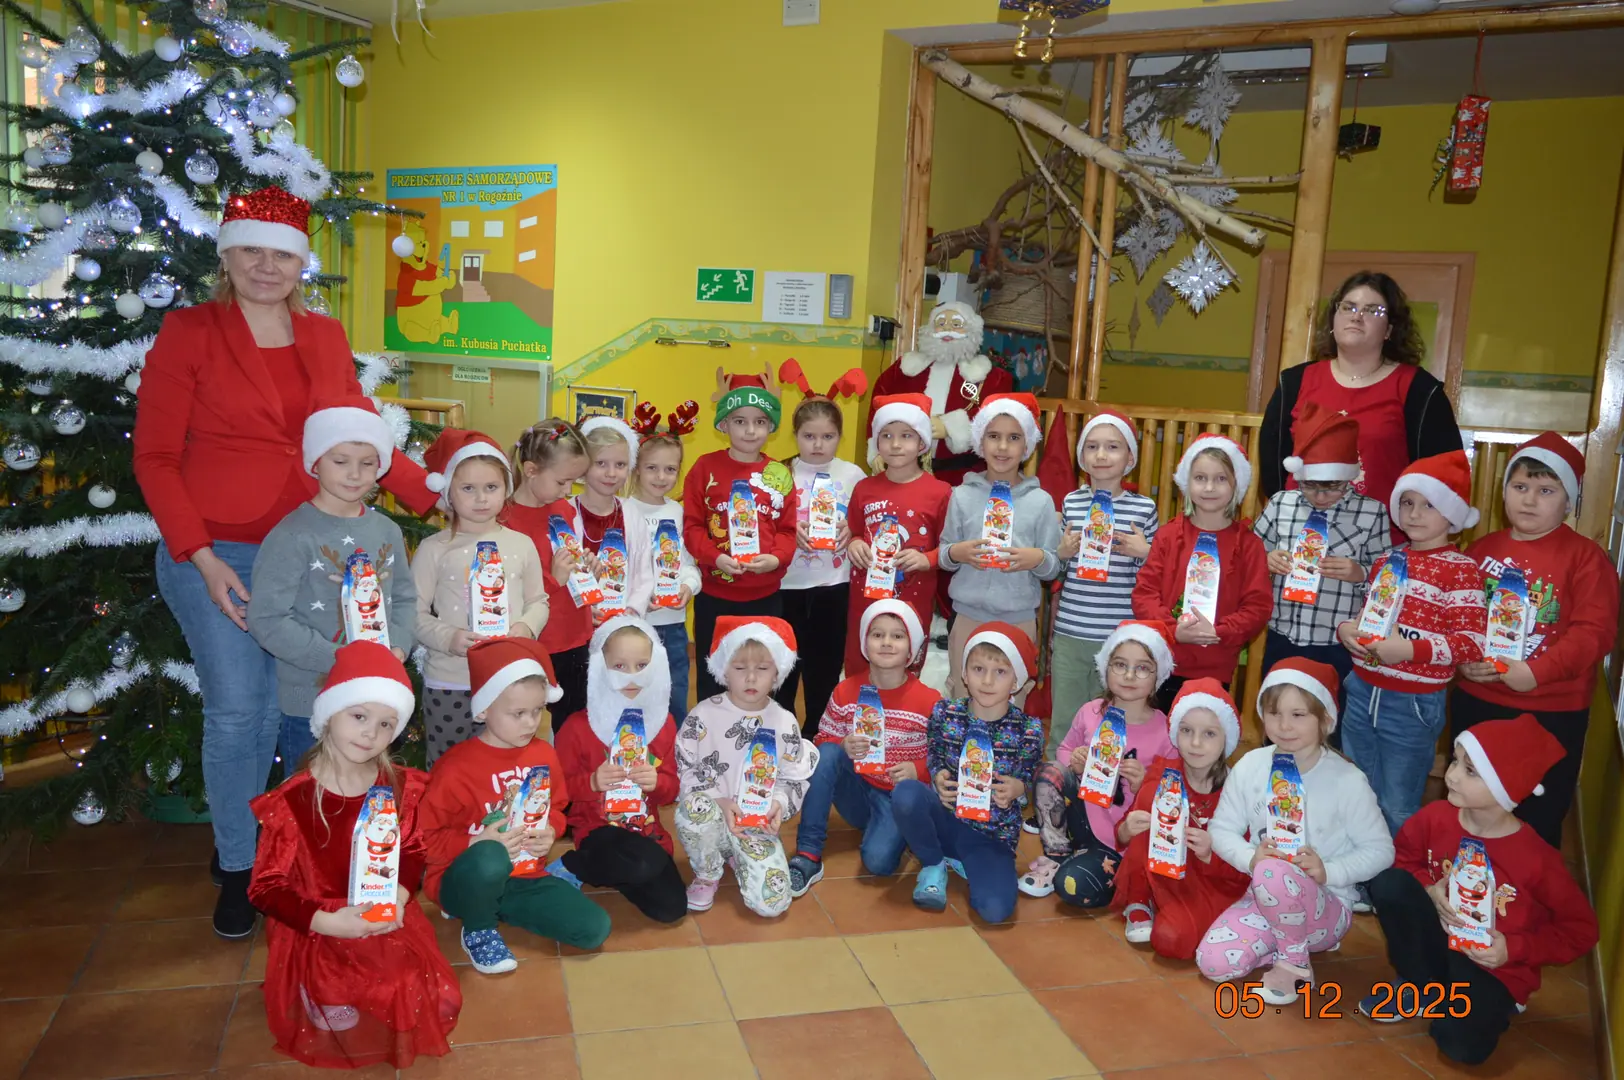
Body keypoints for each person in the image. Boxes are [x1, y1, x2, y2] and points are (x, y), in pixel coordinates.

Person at [133, 185, 438, 938]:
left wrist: (440, 492)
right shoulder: (189, 331)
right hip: (222, 550)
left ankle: (291, 848)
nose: (266, 267)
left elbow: (355, 430)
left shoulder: (324, 337)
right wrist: (201, 558)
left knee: (309, 710)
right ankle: (244, 868)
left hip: (316, 546)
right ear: (226, 256)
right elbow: (156, 457)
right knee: (243, 710)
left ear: (302, 263)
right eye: (251, 250)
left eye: (282, 254)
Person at [247, 642, 460, 1069]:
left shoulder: (398, 788)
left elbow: (412, 850)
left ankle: (353, 981)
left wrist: (400, 895)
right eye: (358, 716)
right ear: (329, 714)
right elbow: (265, 888)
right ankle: (317, 985)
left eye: (385, 724)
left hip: (381, 908)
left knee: (419, 990)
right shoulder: (293, 801)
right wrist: (325, 921)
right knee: (343, 1004)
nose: (370, 734)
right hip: (319, 924)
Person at [1361, 715, 1598, 1065]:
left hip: (1493, 966)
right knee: (1390, 884)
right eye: (1455, 761)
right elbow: (1404, 860)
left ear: (1506, 785)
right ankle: (1419, 982)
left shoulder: (1537, 859)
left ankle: (1489, 1001)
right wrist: (1429, 888)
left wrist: (1513, 949)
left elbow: (1581, 930)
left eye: (1470, 770)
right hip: (1439, 941)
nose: (1451, 775)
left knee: (1461, 1047)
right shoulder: (1435, 818)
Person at [1452, 432, 1618, 849]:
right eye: (1520, 486)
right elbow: (1459, 618)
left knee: (1536, 813)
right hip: (1479, 701)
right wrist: (1462, 661)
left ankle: (1528, 885)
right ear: (1504, 490)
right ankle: (1469, 879)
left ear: (1569, 501)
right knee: (1472, 806)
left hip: (1551, 711)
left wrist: (1536, 672)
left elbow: (1594, 632)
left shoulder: (1586, 558)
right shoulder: (1478, 551)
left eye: (1546, 490)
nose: (1529, 500)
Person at [1201, 659, 1393, 1005]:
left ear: (1326, 720)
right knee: (1214, 963)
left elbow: (1381, 851)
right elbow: (1221, 829)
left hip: (1327, 907)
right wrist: (1250, 858)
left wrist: (1329, 870)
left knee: (1273, 871)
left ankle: (1295, 964)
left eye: (1298, 715)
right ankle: (1284, 943)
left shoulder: (1348, 780)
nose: (1284, 725)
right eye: (1274, 713)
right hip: (1264, 898)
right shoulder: (1251, 766)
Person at [420, 637, 612, 973]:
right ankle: (478, 927)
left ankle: (489, 905)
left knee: (593, 928)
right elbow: (422, 840)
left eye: (537, 711)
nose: (530, 723)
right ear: (483, 710)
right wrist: (474, 842)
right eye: (518, 713)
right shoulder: (455, 769)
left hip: (523, 874)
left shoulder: (543, 754)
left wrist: (551, 830)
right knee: (490, 856)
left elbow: (557, 807)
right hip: (461, 874)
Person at [248, 397, 416, 768]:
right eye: (341, 462)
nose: (354, 474)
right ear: (316, 463)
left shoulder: (387, 530)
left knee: (366, 794)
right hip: (312, 701)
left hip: (377, 701)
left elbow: (405, 597)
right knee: (311, 797)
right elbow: (266, 619)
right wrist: (340, 658)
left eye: (367, 463)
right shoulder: (293, 535)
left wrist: (399, 648)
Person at [1337, 451, 1486, 836]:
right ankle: (1356, 863)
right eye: (1407, 502)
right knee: (1354, 790)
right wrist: (1347, 630)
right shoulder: (1386, 560)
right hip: (1361, 690)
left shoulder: (1461, 570)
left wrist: (1409, 650)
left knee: (1397, 803)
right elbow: (1368, 617)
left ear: (1452, 514)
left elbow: (1470, 643)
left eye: (1429, 505)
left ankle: (1396, 871)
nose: (1415, 514)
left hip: (1412, 704)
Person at [1259, 271, 1464, 517]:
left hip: (1383, 535)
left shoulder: (1420, 390)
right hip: (1302, 531)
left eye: (1373, 310)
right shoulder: (1294, 382)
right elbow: (1272, 469)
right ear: (1333, 320)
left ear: (1389, 330)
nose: (1357, 316)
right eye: (1348, 307)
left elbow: (1442, 475)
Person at [410, 430, 550, 763]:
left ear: (506, 489)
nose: (481, 498)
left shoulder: (521, 544)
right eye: (468, 488)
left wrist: (526, 628)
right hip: (451, 680)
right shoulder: (434, 548)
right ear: (448, 491)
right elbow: (412, 613)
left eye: (491, 487)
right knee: (449, 765)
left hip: (509, 680)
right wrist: (449, 638)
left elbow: (538, 601)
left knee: (504, 765)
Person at [891, 623, 1044, 924]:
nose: (987, 681)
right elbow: (934, 754)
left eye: (1000, 672)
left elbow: (1028, 776)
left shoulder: (1029, 729)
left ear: (1016, 681)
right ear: (964, 673)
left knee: (996, 912)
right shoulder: (945, 713)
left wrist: (1018, 788)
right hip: (947, 819)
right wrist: (937, 775)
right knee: (906, 793)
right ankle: (933, 863)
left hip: (991, 835)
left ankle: (966, 861)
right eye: (978, 669)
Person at [787, 601, 942, 896]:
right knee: (828, 753)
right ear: (864, 644)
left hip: (896, 798)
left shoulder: (930, 701)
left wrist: (918, 769)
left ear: (912, 649)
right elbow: (821, 743)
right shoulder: (845, 691)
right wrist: (842, 744)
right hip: (857, 788)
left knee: (879, 864)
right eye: (877, 634)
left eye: (897, 636)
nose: (886, 642)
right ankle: (808, 852)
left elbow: (944, 756)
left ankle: (898, 828)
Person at [1021, 621, 1176, 905]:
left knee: (1070, 886)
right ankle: (1057, 854)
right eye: (1120, 665)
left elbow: (1172, 798)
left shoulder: (1165, 731)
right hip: (1079, 818)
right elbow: (1064, 750)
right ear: (1106, 668)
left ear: (1159, 676)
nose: (1129, 675)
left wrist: (1144, 784)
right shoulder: (1090, 712)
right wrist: (1074, 761)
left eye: (1142, 668)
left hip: (1118, 840)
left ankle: (1118, 875)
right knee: (1050, 771)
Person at [1253, 403, 1390, 717]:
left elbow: (1386, 578)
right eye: (1310, 486)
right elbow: (1249, 553)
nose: (1320, 496)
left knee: (1330, 719)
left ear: (1348, 479)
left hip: (1337, 640)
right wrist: (1266, 558)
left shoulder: (1372, 512)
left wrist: (1360, 572)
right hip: (1283, 632)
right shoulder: (1281, 503)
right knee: (1277, 711)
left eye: (1331, 488)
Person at [675, 617, 815, 916]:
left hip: (755, 824)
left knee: (773, 904)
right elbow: (685, 767)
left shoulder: (784, 721)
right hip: (712, 815)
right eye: (740, 669)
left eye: (762, 669)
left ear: (777, 673)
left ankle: (740, 857)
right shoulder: (703, 715)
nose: (751, 678)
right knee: (693, 809)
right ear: (724, 670)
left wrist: (778, 804)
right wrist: (719, 800)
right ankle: (707, 872)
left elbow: (794, 778)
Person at [551, 616, 686, 924]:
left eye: (642, 665)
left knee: (671, 909)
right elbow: (559, 791)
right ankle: (576, 865)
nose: (631, 677)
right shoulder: (577, 727)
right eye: (619, 666)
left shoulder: (663, 723)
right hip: (597, 832)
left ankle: (612, 871)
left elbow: (671, 789)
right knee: (643, 864)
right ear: (600, 668)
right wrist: (592, 782)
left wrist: (656, 782)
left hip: (646, 832)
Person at [682, 369, 800, 701]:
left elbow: (788, 530)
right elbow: (692, 527)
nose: (750, 430)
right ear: (723, 424)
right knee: (714, 680)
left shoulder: (779, 474)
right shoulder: (704, 468)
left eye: (760, 421)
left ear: (771, 426)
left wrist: (775, 558)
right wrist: (714, 557)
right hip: (715, 598)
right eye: (740, 421)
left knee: (761, 680)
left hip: (766, 597)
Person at [1111, 680, 1250, 958]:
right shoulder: (1163, 775)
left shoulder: (1239, 790)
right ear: (1175, 733)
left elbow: (1246, 867)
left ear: (1227, 739)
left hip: (1211, 883)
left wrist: (1211, 854)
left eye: (1209, 733)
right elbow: (1123, 834)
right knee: (1152, 795)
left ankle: (1174, 912)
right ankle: (1139, 898)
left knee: (1172, 940)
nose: (1195, 743)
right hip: (1161, 874)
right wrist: (1126, 829)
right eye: (1186, 731)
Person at [937, 393, 1063, 700]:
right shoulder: (962, 495)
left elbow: (1054, 566)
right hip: (967, 617)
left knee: (1012, 701)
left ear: (1027, 446)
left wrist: (1037, 558)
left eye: (1014, 438)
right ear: (980, 442)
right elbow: (943, 553)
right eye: (993, 436)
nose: (1003, 446)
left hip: (1018, 619)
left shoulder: (1041, 501)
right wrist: (957, 552)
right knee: (963, 697)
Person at [1132, 434, 1270, 713]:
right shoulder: (1168, 536)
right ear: (1187, 482)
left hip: (1215, 667)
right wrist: (1172, 630)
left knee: (1200, 734)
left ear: (1237, 485)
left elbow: (1258, 606)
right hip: (1162, 661)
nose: (1209, 487)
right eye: (1200, 478)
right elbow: (1144, 594)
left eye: (1220, 479)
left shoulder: (1249, 545)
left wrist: (1219, 631)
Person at [1050, 409, 1160, 755]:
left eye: (1113, 447)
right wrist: (1062, 554)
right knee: (1064, 717)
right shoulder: (1071, 502)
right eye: (1092, 446)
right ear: (1081, 456)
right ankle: (1057, 777)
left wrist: (1145, 552)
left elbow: (1156, 577)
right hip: (1071, 628)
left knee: (1108, 720)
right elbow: (1058, 568)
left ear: (1130, 459)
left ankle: (1104, 779)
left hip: (1118, 634)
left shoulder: (1144, 509)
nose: (1101, 455)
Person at [774, 362, 868, 734]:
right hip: (787, 586)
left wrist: (853, 529)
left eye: (827, 436)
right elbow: (762, 524)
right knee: (783, 669)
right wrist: (787, 529)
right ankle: (781, 733)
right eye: (809, 436)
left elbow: (868, 522)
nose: (818, 444)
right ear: (795, 435)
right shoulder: (779, 473)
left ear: (839, 436)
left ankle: (817, 735)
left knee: (824, 669)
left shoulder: (853, 475)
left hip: (834, 585)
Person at [844, 394, 952, 676]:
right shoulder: (864, 488)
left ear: (922, 443)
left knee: (905, 675)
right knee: (860, 673)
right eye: (887, 435)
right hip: (866, 600)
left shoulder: (940, 492)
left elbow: (949, 548)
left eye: (906, 435)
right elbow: (854, 532)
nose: (895, 444)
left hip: (913, 602)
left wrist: (927, 559)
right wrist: (855, 543)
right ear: (877, 442)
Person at [502, 419, 594, 729]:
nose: (568, 491)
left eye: (574, 482)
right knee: (523, 721)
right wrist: (554, 579)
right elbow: (507, 590)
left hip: (576, 634)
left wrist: (585, 566)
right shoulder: (504, 519)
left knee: (573, 724)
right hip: (537, 640)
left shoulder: (564, 510)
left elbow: (567, 558)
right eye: (562, 482)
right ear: (531, 470)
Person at [867, 300, 1013, 486]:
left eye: (956, 324)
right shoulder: (903, 370)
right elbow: (879, 408)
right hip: (904, 474)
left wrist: (951, 427)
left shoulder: (991, 377)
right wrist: (878, 449)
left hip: (963, 478)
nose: (947, 329)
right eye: (941, 323)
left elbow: (996, 419)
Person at [625, 402, 701, 721]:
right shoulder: (622, 510)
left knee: (674, 694)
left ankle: (674, 746)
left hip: (672, 624)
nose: (661, 476)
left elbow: (689, 564)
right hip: (632, 624)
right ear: (636, 468)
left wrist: (688, 586)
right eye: (652, 468)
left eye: (670, 469)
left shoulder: (677, 512)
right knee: (633, 696)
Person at [564, 415, 649, 626]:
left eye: (620, 464)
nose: (611, 473)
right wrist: (581, 609)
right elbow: (560, 574)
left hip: (622, 625)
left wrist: (632, 610)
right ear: (583, 465)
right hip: (576, 626)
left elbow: (644, 574)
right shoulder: (566, 514)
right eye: (601, 463)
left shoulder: (632, 514)